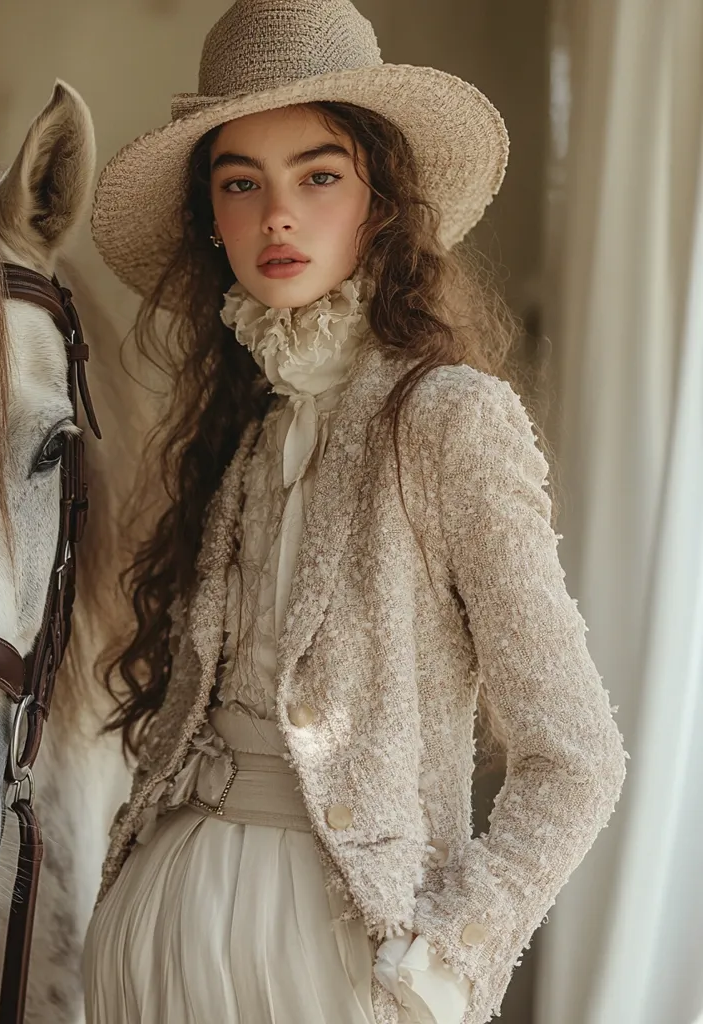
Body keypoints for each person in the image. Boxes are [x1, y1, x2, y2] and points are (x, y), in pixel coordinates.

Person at [83, 1, 627, 1022]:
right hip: (158, 942)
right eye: (239, 183)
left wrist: (445, 963)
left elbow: (577, 756)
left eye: (317, 175)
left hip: (331, 966)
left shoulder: (449, 421)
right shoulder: (242, 439)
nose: (275, 215)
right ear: (212, 219)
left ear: (381, 201)